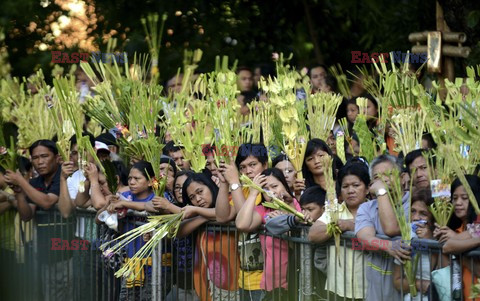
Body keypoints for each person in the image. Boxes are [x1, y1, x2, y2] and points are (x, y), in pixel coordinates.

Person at [4, 139, 74, 301]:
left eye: (44, 156)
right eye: (35, 158)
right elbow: (27, 215)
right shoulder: (35, 182)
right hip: (45, 252)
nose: (39, 162)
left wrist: (21, 180)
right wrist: (19, 193)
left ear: (57, 158)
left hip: (69, 250)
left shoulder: (63, 177)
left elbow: (47, 202)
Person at [236, 168, 302, 300]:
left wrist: (285, 217)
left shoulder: (294, 204)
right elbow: (242, 224)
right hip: (271, 284)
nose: (271, 192)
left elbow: (298, 238)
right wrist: (253, 193)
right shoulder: (263, 210)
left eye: (275, 186)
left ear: (284, 185)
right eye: (265, 189)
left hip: (295, 281)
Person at [309, 162, 370, 299]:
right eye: (345, 186)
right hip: (338, 289)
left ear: (367, 188)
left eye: (356, 185)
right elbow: (313, 235)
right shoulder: (334, 211)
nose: (350, 191)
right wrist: (336, 226)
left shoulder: (375, 211)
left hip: (369, 289)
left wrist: (351, 225)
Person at [216, 143, 269, 300]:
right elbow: (222, 217)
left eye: (253, 165)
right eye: (243, 167)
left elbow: (244, 222)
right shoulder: (243, 190)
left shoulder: (269, 189)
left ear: (265, 165)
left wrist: (234, 182)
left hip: (266, 279)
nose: (248, 171)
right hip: (245, 277)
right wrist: (224, 184)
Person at [355, 155, 411, 301]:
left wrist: (381, 191)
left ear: (402, 177)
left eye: (389, 175)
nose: (384, 180)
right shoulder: (366, 207)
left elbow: (391, 228)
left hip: (409, 291)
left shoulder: (414, 204)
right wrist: (387, 245)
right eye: (377, 177)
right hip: (376, 292)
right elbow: (364, 237)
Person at [177, 172, 239, 301]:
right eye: (192, 197)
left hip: (230, 282)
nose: (198, 199)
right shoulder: (200, 215)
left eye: (200, 191)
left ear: (210, 186)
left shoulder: (230, 199)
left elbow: (223, 215)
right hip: (206, 281)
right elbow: (180, 231)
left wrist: (197, 211)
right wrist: (203, 217)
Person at [106, 160, 156, 301]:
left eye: (137, 178)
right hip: (130, 262)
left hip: (153, 264)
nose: (132, 182)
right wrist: (111, 205)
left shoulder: (157, 196)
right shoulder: (124, 195)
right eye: (129, 178)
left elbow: (152, 206)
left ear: (150, 181)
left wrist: (125, 204)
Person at [435, 175, 480, 300]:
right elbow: (447, 247)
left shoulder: (476, 226)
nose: (458, 203)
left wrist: (458, 252)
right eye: (454, 198)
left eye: (464, 198)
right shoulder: (459, 229)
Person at [393, 189, 439, 301]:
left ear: (433, 216)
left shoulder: (441, 237)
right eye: (413, 211)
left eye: (423, 213)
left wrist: (430, 242)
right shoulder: (407, 234)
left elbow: (439, 272)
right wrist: (419, 284)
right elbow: (397, 281)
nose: (415, 218)